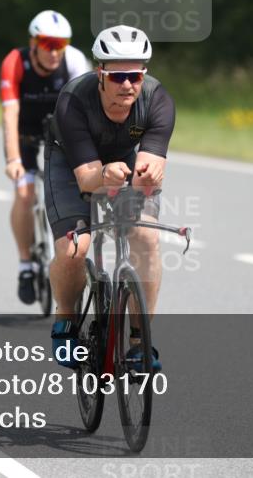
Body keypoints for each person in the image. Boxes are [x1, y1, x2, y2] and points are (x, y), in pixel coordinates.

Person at [45, 25, 175, 369]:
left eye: (135, 76)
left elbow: (148, 171)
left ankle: (140, 343)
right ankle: (65, 320)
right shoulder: (73, 100)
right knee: (75, 247)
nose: (127, 85)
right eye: (118, 77)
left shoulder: (157, 99)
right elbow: (87, 180)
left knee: (145, 236)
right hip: (71, 163)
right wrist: (104, 175)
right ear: (99, 73)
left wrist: (147, 178)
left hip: (124, 160)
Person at [0, 10, 90, 304]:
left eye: (60, 44)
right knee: (25, 194)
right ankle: (25, 265)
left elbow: (85, 111)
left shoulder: (74, 61)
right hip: (24, 133)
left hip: (61, 132)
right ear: (33, 43)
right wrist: (13, 159)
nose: (54, 51)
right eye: (47, 44)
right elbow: (9, 113)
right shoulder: (15, 62)